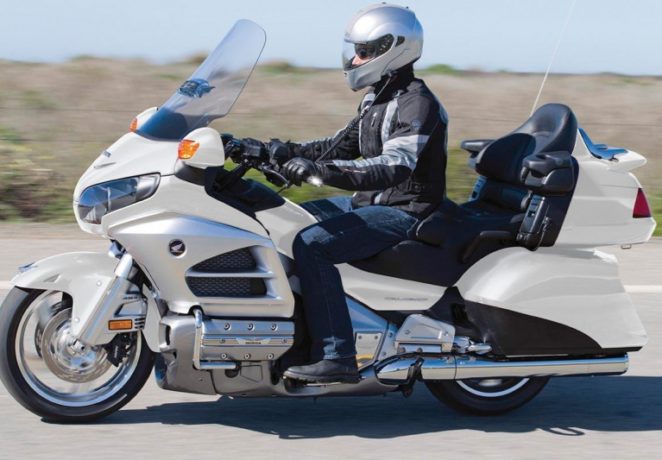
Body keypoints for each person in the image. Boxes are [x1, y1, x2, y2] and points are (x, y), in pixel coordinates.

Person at [249, 3, 448, 383]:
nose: (355, 60)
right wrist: (273, 150)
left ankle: (336, 355)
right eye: (356, 50)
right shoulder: (378, 97)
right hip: (371, 202)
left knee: (313, 244)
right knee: (286, 219)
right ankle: (297, 335)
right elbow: (337, 147)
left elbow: (394, 167)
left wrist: (319, 172)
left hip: (406, 211)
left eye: (365, 51)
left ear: (393, 49)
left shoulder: (416, 103)